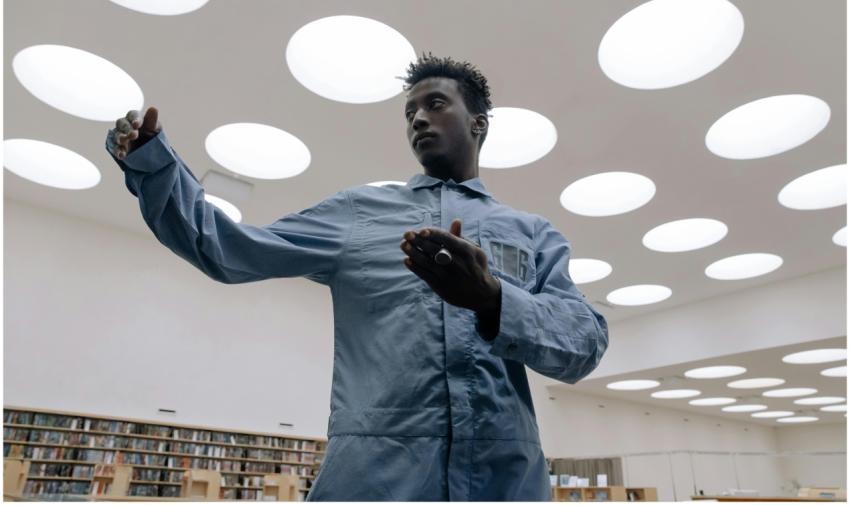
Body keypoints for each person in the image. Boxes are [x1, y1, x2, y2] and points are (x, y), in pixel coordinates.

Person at [106, 54, 609, 501]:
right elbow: (229, 250)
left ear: (479, 123)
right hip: (374, 479)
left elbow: (584, 344)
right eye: (409, 111)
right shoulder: (357, 212)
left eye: (435, 104)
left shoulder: (534, 233)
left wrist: (495, 301)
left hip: (506, 482)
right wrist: (156, 168)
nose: (418, 118)